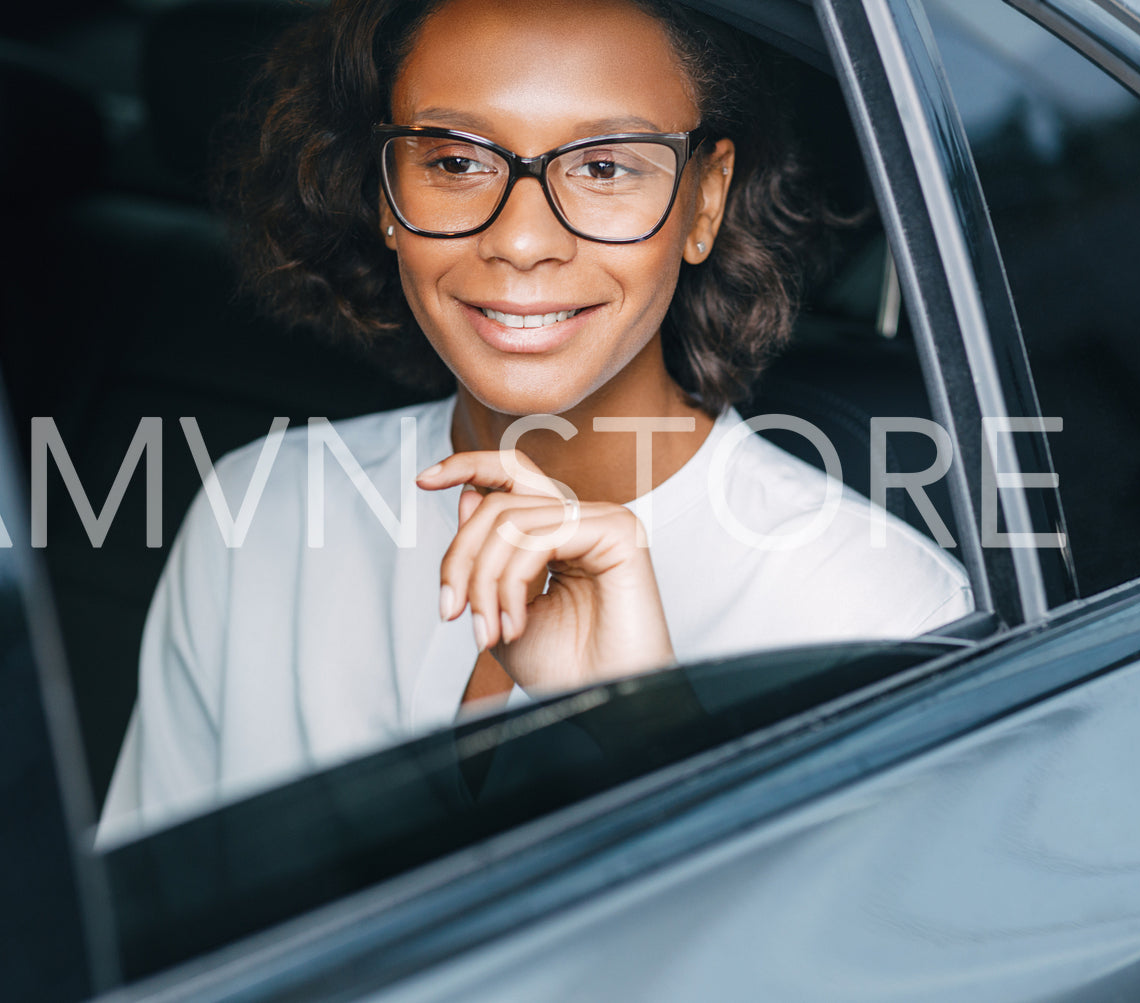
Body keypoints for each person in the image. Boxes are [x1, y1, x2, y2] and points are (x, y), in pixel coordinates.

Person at [96, 0, 972, 844]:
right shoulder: (262, 510)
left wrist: (650, 728)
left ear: (704, 203)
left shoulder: (879, 611)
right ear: (382, 196)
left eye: (602, 167)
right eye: (455, 162)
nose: (521, 240)